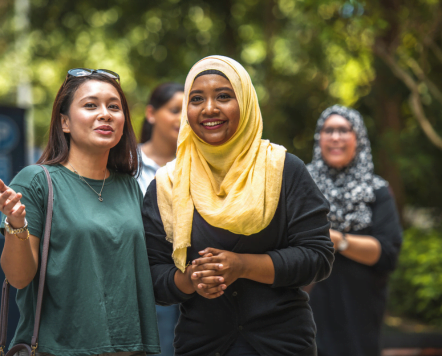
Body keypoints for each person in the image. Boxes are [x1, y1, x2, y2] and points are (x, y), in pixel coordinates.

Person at [142, 56, 335, 356]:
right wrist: (191, 279)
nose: (209, 108)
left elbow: (318, 256)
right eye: (196, 99)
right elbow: (153, 275)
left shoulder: (283, 169)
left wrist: (243, 266)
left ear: (244, 102)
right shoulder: (168, 184)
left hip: (282, 343)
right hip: (202, 344)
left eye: (223, 96)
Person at [0, 68, 160, 356]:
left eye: (114, 107)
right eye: (91, 105)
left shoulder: (128, 186)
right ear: (64, 122)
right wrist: (17, 224)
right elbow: (18, 278)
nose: (105, 114)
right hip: (59, 349)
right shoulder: (37, 181)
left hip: (129, 349)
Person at [306, 105, 403, 356]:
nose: (335, 137)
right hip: (306, 309)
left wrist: (337, 240)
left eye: (343, 130)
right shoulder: (301, 186)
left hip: (358, 312)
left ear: (357, 137)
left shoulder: (377, 191)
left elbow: (388, 253)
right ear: (319, 138)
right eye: (328, 130)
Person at [137, 82, 184, 356]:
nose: (181, 119)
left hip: (194, 280)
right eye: (174, 110)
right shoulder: (127, 164)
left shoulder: (199, 165)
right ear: (151, 113)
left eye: (186, 113)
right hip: (146, 282)